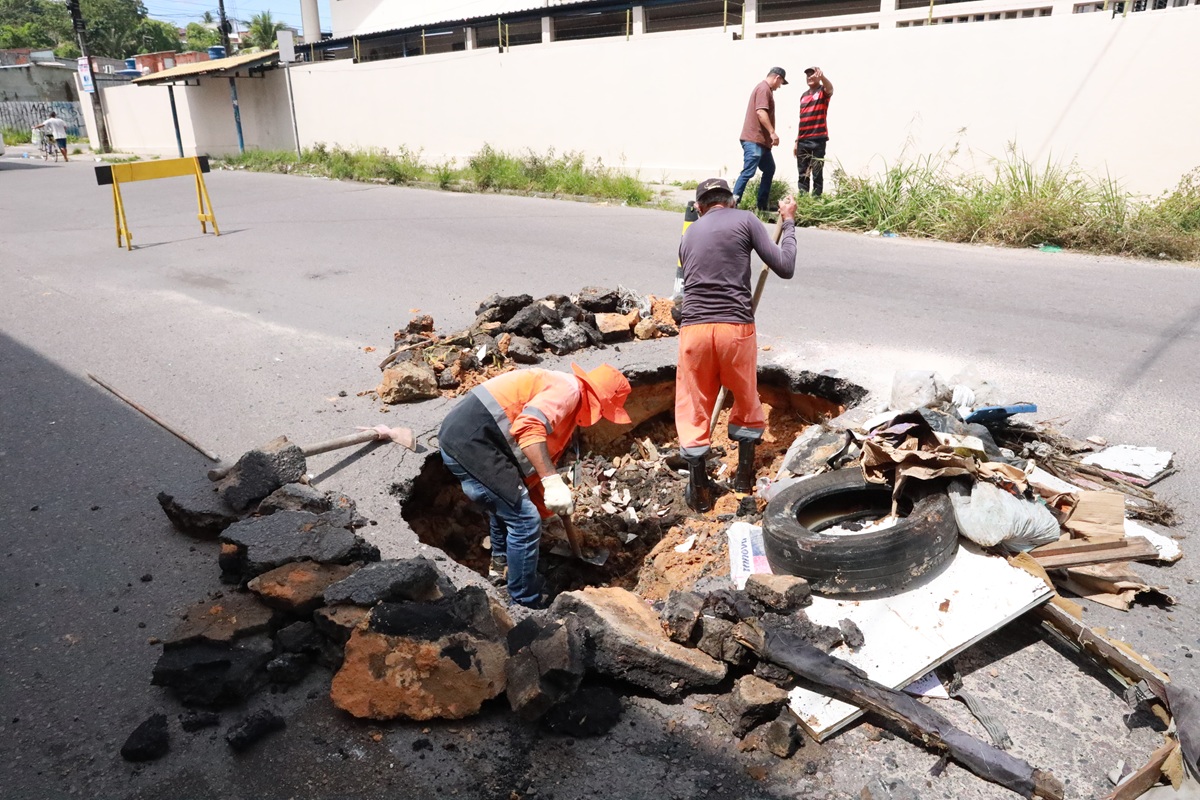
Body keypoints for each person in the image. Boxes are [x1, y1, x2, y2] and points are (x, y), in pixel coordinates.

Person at [438, 364, 632, 608]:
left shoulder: (566, 394)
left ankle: (501, 567)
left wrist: (547, 504)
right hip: (472, 442)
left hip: (472, 438)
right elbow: (529, 427)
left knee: (508, 504)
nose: (602, 417)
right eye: (606, 411)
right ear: (600, 400)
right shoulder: (568, 391)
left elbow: (532, 461)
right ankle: (523, 600)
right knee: (525, 520)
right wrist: (552, 482)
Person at [675, 178, 797, 511]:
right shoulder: (745, 219)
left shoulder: (689, 234)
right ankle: (743, 477)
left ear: (700, 208)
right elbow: (784, 266)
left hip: (694, 331)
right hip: (735, 329)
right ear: (730, 201)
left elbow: (686, 288)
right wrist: (788, 222)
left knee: (693, 405)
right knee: (745, 397)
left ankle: (699, 493)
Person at [732, 67, 788, 213]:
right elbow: (761, 112)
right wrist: (772, 132)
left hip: (761, 142)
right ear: (777, 78)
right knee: (748, 172)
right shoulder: (764, 89)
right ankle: (733, 204)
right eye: (781, 82)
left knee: (769, 169)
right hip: (754, 140)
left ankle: (762, 205)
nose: (779, 86)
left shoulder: (765, 89)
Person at [794, 67, 834, 197]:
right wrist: (797, 141)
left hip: (818, 139)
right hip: (803, 140)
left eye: (812, 74)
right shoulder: (803, 96)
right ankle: (803, 200)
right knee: (803, 174)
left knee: (817, 173)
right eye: (807, 75)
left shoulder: (822, 91)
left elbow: (830, 89)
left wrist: (823, 78)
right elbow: (802, 120)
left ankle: (816, 201)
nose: (809, 77)